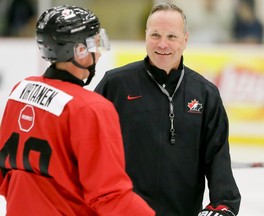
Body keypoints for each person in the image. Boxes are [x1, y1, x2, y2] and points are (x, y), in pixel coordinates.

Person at [0, 5, 155, 216]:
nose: (98, 51)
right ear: (79, 51)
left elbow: (3, 169)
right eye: (95, 43)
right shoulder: (91, 108)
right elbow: (110, 195)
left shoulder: (21, 90)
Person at [94, 3, 241, 216]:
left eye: (171, 36)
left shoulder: (205, 93)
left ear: (185, 39)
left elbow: (217, 157)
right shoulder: (116, 84)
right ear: (145, 36)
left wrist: (223, 204)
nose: (162, 44)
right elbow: (88, 145)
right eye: (155, 35)